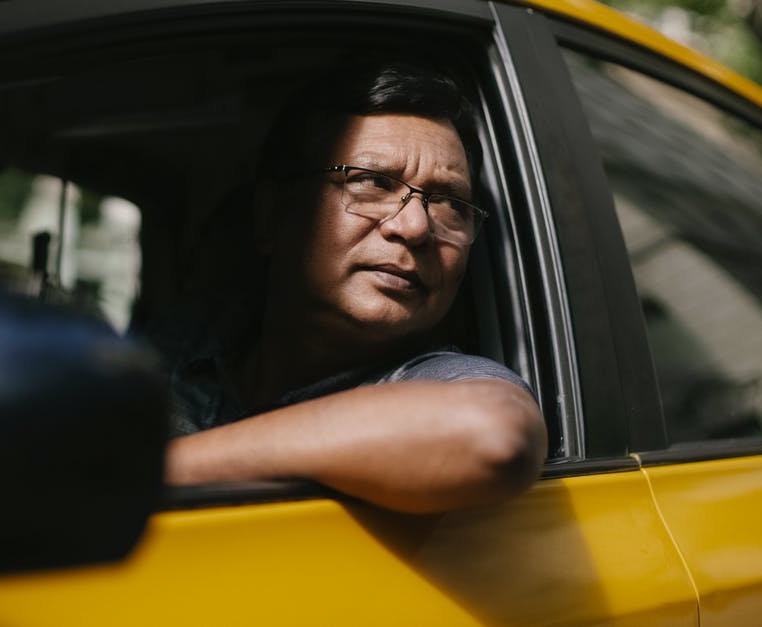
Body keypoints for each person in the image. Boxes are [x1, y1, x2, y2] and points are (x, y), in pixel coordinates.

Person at [163, 60, 547, 514]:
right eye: (373, 182)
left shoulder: (428, 382)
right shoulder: (189, 340)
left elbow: (492, 436)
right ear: (273, 216)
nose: (414, 226)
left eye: (448, 203)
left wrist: (158, 470)